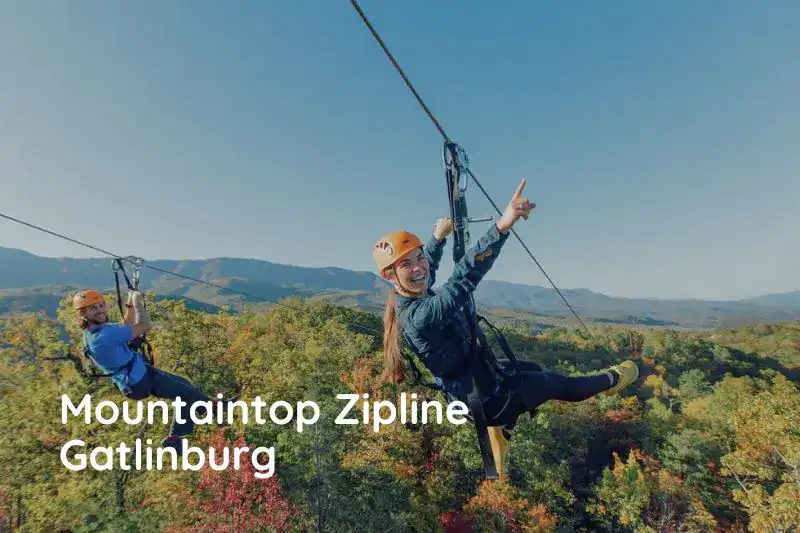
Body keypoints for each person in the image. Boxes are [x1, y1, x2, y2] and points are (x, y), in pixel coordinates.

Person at [373, 178, 639, 438]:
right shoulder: (419, 317)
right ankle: (612, 380)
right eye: (406, 265)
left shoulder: (407, 294)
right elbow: (462, 280)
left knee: (533, 368)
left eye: (419, 258)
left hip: (475, 379)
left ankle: (503, 431)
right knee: (558, 384)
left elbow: (425, 270)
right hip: (485, 403)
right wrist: (502, 226)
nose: (419, 267)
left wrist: (436, 239)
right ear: (389, 275)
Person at [72, 288, 231, 454]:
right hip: (138, 379)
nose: (100, 311)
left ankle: (211, 407)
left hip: (134, 378)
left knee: (184, 385)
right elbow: (144, 325)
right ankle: (176, 438)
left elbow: (126, 326)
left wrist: (130, 302)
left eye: (101, 306)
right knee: (185, 394)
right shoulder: (105, 335)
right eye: (93, 308)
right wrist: (139, 305)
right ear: (82, 314)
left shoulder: (93, 333)